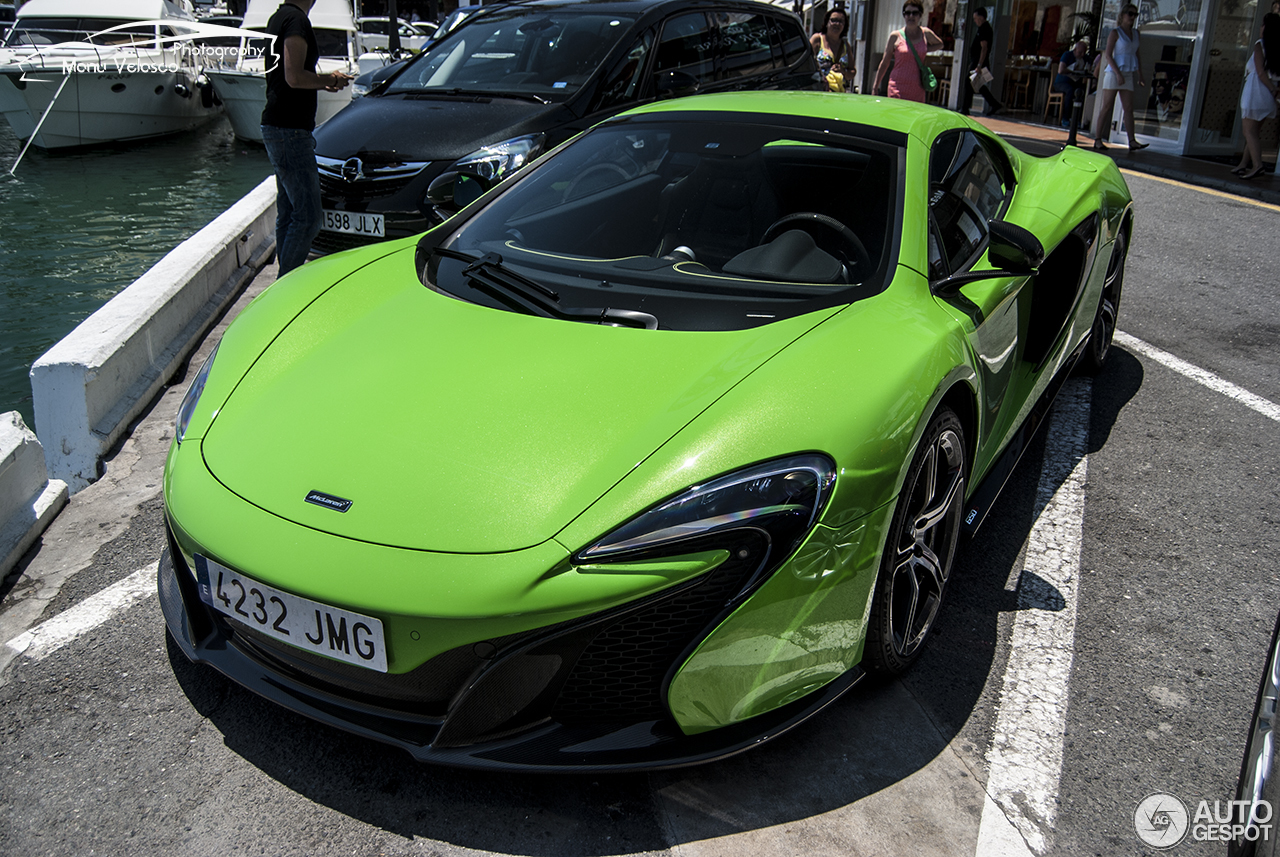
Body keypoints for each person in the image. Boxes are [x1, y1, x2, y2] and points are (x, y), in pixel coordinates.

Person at [260, 0, 352, 276]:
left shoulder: (279, 17)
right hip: (289, 130)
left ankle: (282, 283)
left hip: (278, 127)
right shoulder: (296, 21)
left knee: (289, 212)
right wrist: (331, 80)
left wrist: (325, 81)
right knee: (309, 217)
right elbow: (294, 77)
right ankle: (284, 286)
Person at [1092, 4, 1148, 151]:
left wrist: (1140, 73)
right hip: (1114, 72)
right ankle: (1097, 139)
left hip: (1128, 73)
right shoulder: (1115, 33)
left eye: (1135, 15)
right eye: (1130, 14)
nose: (1132, 17)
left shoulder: (1136, 34)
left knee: (1128, 108)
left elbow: (1137, 54)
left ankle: (1132, 140)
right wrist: (1117, 73)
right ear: (1123, 15)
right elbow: (1109, 55)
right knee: (1106, 106)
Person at [1232, 13, 1280, 179]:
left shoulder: (1260, 45)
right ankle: (1243, 164)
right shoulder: (1277, 48)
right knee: (1254, 132)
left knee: (1249, 132)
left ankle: (1257, 165)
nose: (1260, 28)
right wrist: (1274, 90)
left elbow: (1259, 71)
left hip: (1255, 93)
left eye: (1262, 25)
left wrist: (1272, 88)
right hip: (1267, 97)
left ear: (1266, 28)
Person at [873, 2, 944, 102]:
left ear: (920, 15)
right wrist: (875, 86)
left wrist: (924, 49)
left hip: (917, 88)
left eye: (915, 13)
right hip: (897, 87)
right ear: (904, 15)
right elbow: (885, 63)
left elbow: (940, 44)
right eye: (907, 13)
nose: (911, 16)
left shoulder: (925, 33)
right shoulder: (895, 36)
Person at [961, 7, 1004, 115]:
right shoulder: (982, 28)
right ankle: (994, 104)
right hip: (976, 60)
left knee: (969, 82)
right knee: (977, 85)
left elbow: (984, 48)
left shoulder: (985, 29)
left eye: (976, 18)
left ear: (981, 17)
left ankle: (965, 108)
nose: (975, 21)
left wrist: (979, 65)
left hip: (979, 61)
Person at [811, 8, 853, 92]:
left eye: (841, 21)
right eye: (833, 20)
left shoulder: (845, 45)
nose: (837, 24)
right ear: (827, 22)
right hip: (819, 92)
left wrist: (843, 71)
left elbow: (852, 72)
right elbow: (806, 64)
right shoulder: (817, 39)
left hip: (839, 94)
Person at [1053, 38, 1089, 123]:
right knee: (1070, 91)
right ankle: (1065, 118)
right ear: (1075, 50)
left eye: (1084, 52)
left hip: (1075, 82)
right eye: (1080, 52)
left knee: (1083, 91)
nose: (1082, 54)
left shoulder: (1085, 58)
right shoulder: (1067, 55)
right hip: (1062, 82)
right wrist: (1072, 70)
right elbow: (1061, 70)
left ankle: (1079, 118)